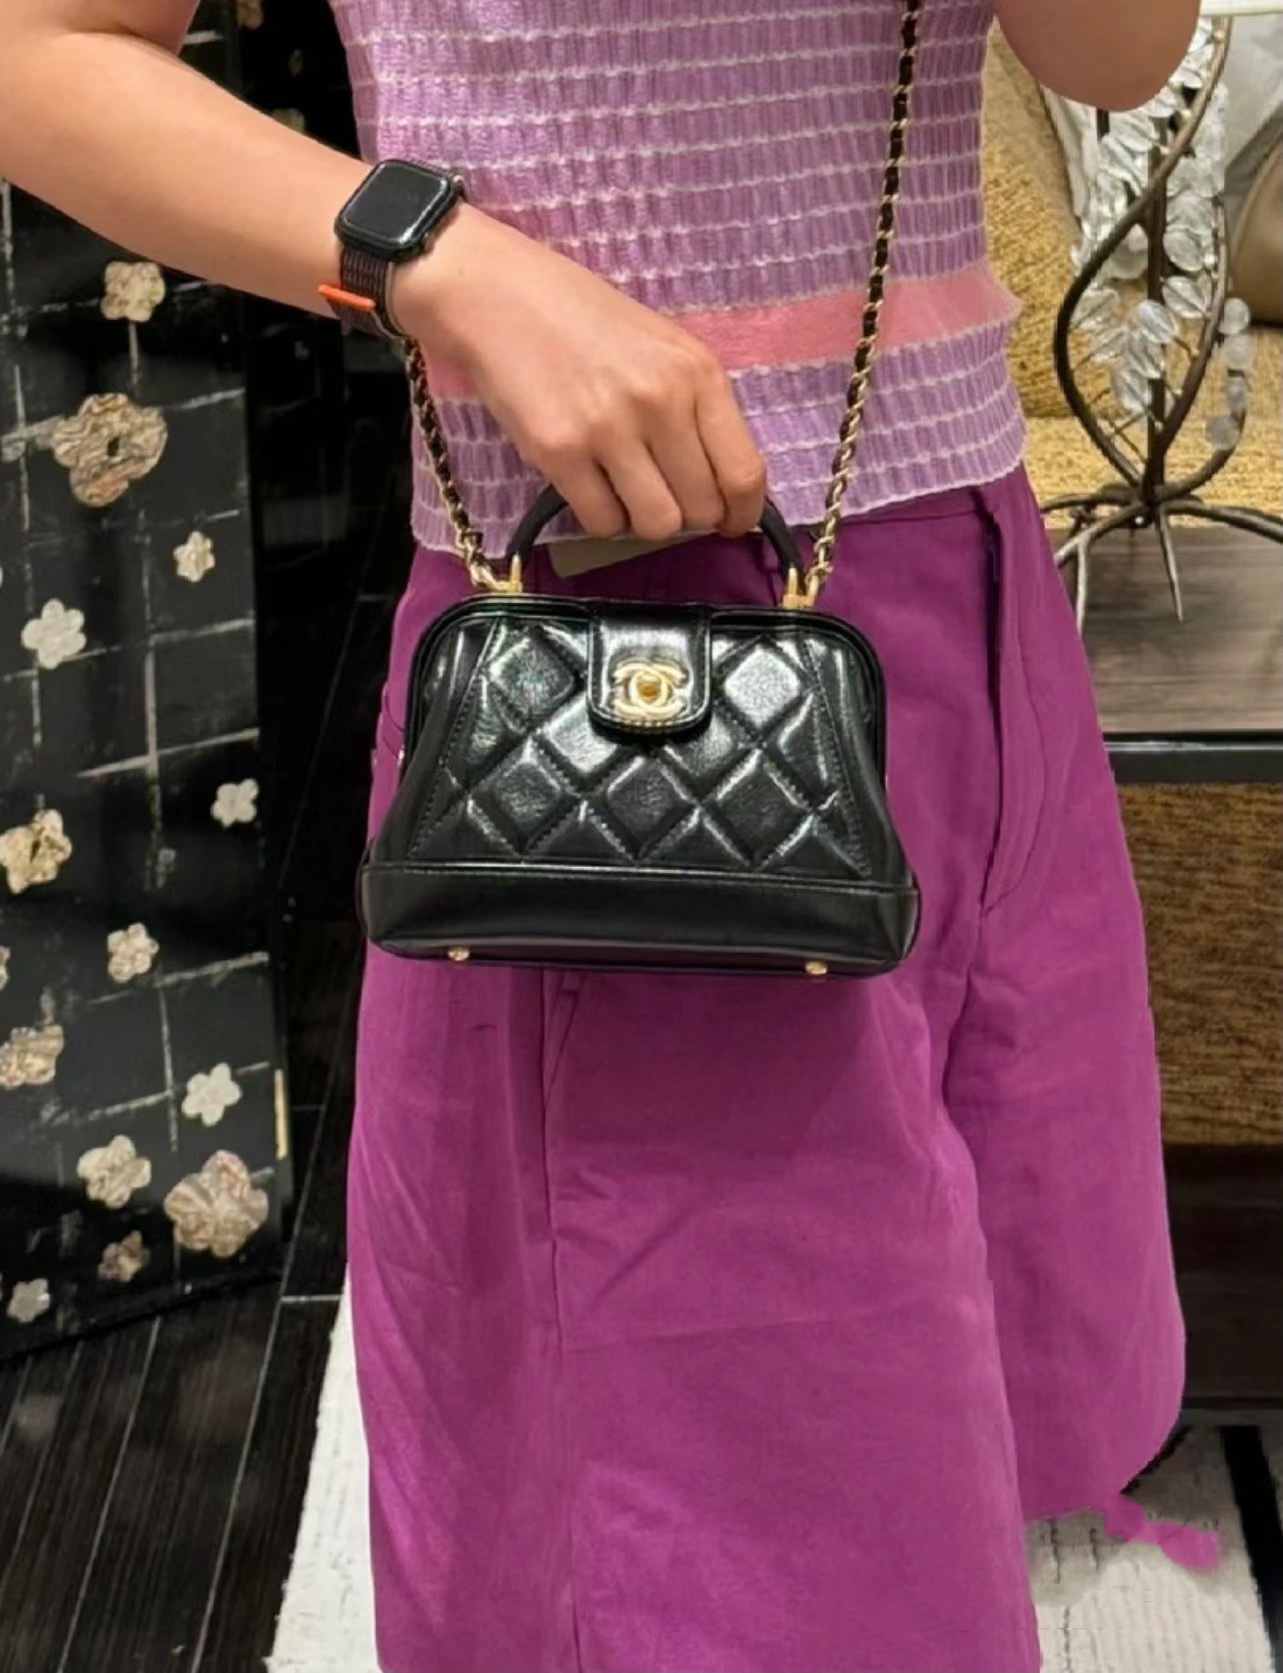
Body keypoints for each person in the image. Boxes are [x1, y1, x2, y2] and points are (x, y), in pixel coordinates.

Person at [0, 3, 1209, 1669]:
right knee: (725, 1528)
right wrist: (436, 258)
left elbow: (1117, 56)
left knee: (928, 1417)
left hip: (959, 596)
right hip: (600, 659)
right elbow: (39, 50)